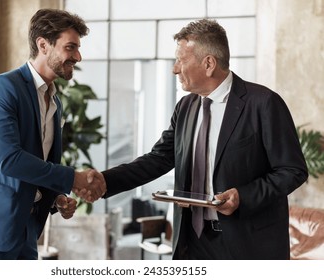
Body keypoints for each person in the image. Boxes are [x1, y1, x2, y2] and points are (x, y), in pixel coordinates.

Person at [90, 19, 308, 259]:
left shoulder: (263, 103)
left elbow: (292, 170)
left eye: (181, 60)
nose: (174, 69)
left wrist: (243, 196)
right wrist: (104, 181)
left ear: (209, 64)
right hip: (192, 243)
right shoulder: (185, 106)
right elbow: (158, 159)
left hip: (247, 245)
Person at [0, 9, 105, 260]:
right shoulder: (1, 89)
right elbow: (9, 160)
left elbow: (39, 162)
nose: (78, 56)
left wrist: (57, 197)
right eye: (70, 47)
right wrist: (72, 178)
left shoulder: (55, 102)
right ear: (43, 45)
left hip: (27, 230)